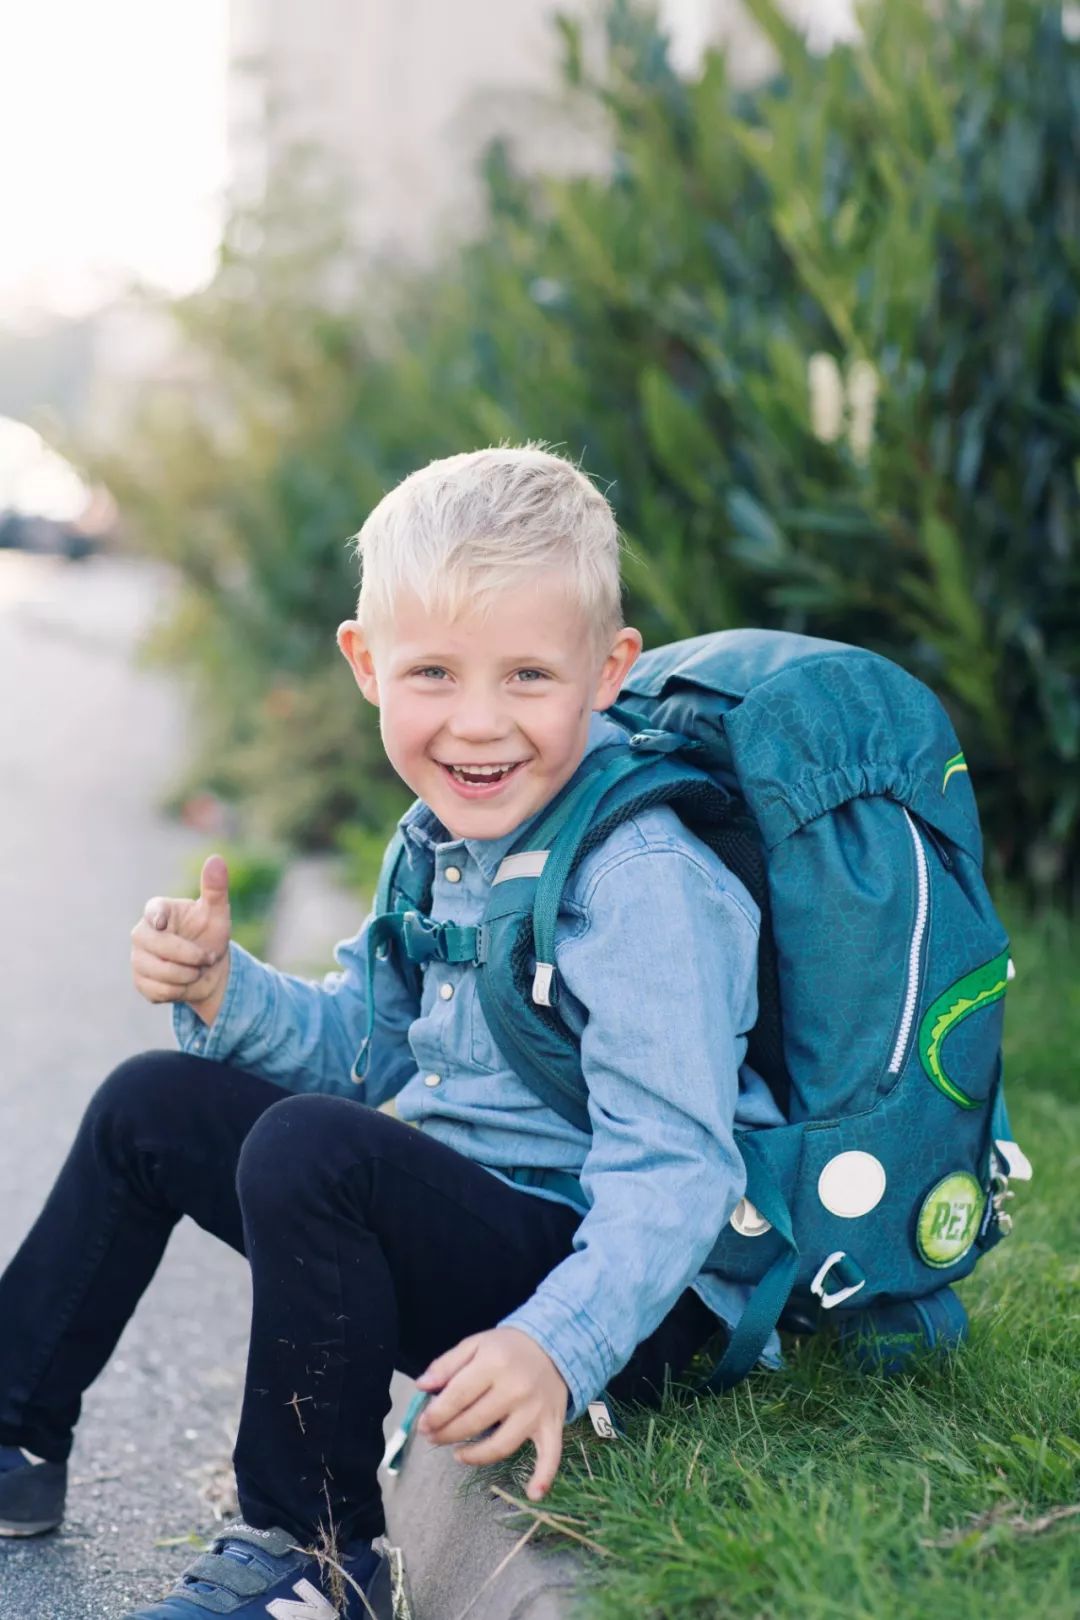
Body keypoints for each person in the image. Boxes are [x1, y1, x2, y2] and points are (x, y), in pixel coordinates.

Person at [0, 445, 783, 1618]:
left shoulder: (640, 879)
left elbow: (677, 1169)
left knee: (311, 1151)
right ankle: (14, 1433)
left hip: (632, 1293)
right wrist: (222, 991)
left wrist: (558, 1346)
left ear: (608, 671)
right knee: (150, 1102)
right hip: (479, 1229)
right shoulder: (432, 847)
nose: (479, 724)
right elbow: (365, 1054)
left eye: (528, 675)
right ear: (367, 666)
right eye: (435, 673)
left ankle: (312, 1550)